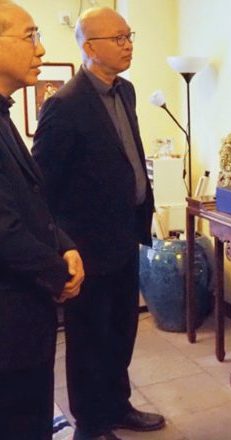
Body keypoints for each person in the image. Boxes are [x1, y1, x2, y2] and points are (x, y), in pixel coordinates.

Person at [32, 7, 162, 440]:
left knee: (122, 331)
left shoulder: (126, 91)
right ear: (89, 47)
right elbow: (42, 186)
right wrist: (62, 244)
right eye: (118, 38)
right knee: (89, 340)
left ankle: (118, 406)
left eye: (129, 35)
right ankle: (91, 425)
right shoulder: (64, 105)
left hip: (126, 235)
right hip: (87, 246)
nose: (128, 45)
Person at [0, 1, 84, 439]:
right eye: (30, 35)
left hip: (24, 317)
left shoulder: (4, 113)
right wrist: (59, 274)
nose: (41, 48)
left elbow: (32, 199)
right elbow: (4, 231)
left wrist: (65, 244)